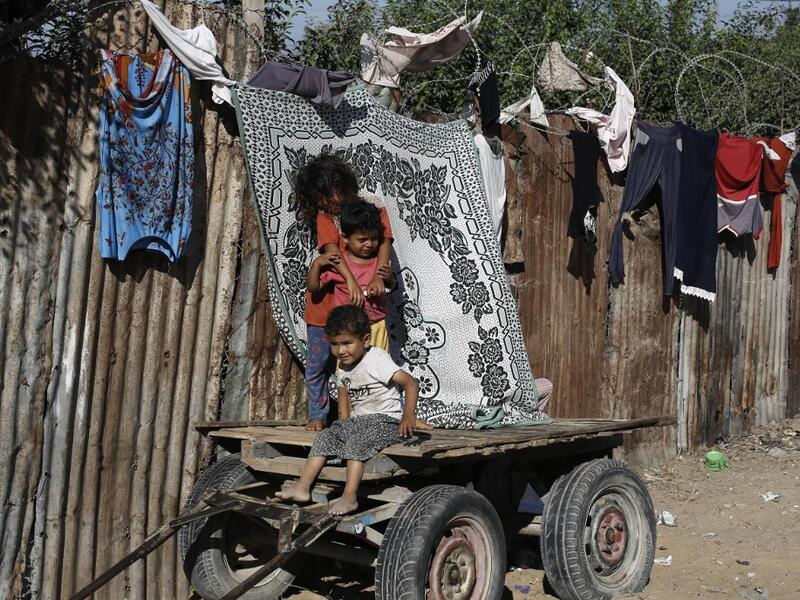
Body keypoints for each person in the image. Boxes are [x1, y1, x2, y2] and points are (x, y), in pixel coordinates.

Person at [277, 305, 431, 515]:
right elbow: (344, 404)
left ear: (365, 340)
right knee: (324, 438)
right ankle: (302, 487)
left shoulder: (376, 359)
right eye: (335, 344)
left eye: (347, 343)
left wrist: (408, 416)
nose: (341, 350)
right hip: (358, 422)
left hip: (385, 421)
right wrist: (341, 427)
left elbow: (411, 383)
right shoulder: (343, 367)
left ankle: (349, 497)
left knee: (356, 444)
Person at [294, 154, 394, 432]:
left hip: (357, 306)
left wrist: (377, 274)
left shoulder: (373, 207)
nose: (328, 201)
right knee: (318, 364)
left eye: (331, 193)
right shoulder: (326, 217)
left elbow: (385, 243)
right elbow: (332, 253)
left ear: (345, 185)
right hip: (325, 305)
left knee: (361, 364)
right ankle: (318, 415)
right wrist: (350, 281)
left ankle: (364, 417)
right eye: (321, 198)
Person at [307, 200, 394, 352]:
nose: (369, 244)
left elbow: (390, 286)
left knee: (379, 371)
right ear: (345, 238)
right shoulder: (340, 265)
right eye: (362, 240)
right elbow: (314, 288)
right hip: (346, 331)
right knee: (348, 372)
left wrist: (387, 278)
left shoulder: (377, 264)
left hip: (376, 327)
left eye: (374, 239)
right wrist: (316, 265)